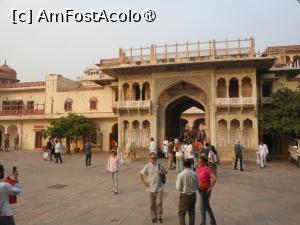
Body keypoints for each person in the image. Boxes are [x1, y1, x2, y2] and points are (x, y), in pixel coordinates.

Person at [140, 152, 167, 224]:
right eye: (153, 158)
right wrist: (145, 183)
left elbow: (166, 171)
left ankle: (159, 216)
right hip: (150, 188)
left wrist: (161, 172)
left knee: (159, 202)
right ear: (150, 158)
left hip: (159, 187)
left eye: (155, 158)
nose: (154, 159)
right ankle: (153, 217)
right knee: (152, 204)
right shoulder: (147, 166)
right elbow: (141, 174)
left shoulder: (160, 165)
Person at [176, 159, 199, 225]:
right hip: (193, 195)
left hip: (185, 196)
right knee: (192, 213)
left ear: (183, 165)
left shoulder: (181, 174)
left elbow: (178, 188)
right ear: (191, 165)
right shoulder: (195, 174)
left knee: (181, 214)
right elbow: (197, 185)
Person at [197, 156, 217, 225]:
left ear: (204, 162)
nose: (199, 162)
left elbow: (214, 178)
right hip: (200, 190)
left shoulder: (207, 169)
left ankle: (203, 223)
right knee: (207, 206)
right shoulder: (199, 168)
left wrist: (210, 188)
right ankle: (213, 221)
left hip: (205, 191)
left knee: (202, 208)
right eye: (198, 161)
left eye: (200, 161)